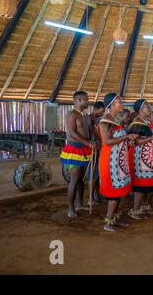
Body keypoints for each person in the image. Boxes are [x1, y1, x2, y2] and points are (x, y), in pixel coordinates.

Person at [98, 93, 137, 232]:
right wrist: (126, 136)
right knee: (114, 194)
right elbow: (107, 141)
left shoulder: (116, 121)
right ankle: (108, 223)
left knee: (121, 191)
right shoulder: (105, 121)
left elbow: (118, 140)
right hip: (110, 162)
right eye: (120, 102)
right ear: (112, 105)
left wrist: (128, 140)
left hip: (119, 161)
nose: (122, 104)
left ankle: (115, 219)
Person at [60, 91, 96, 219]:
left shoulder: (85, 116)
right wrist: (88, 143)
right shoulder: (71, 114)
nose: (88, 101)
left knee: (82, 179)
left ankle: (79, 204)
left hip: (85, 149)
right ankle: (70, 207)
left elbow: (89, 131)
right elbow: (72, 133)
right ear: (80, 100)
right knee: (74, 180)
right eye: (86, 99)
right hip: (74, 150)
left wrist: (91, 142)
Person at [127, 99, 153, 219]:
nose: (150, 108)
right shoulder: (136, 123)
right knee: (141, 185)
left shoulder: (146, 121)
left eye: (149, 106)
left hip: (150, 158)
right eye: (147, 106)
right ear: (140, 110)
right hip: (140, 158)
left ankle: (145, 206)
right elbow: (136, 142)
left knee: (148, 183)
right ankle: (135, 210)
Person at [86, 101, 105, 205]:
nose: (102, 114)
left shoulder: (99, 120)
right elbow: (87, 135)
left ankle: (96, 196)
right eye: (101, 111)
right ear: (95, 109)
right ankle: (90, 198)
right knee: (93, 174)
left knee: (97, 174)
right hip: (92, 149)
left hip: (99, 148)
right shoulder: (88, 119)